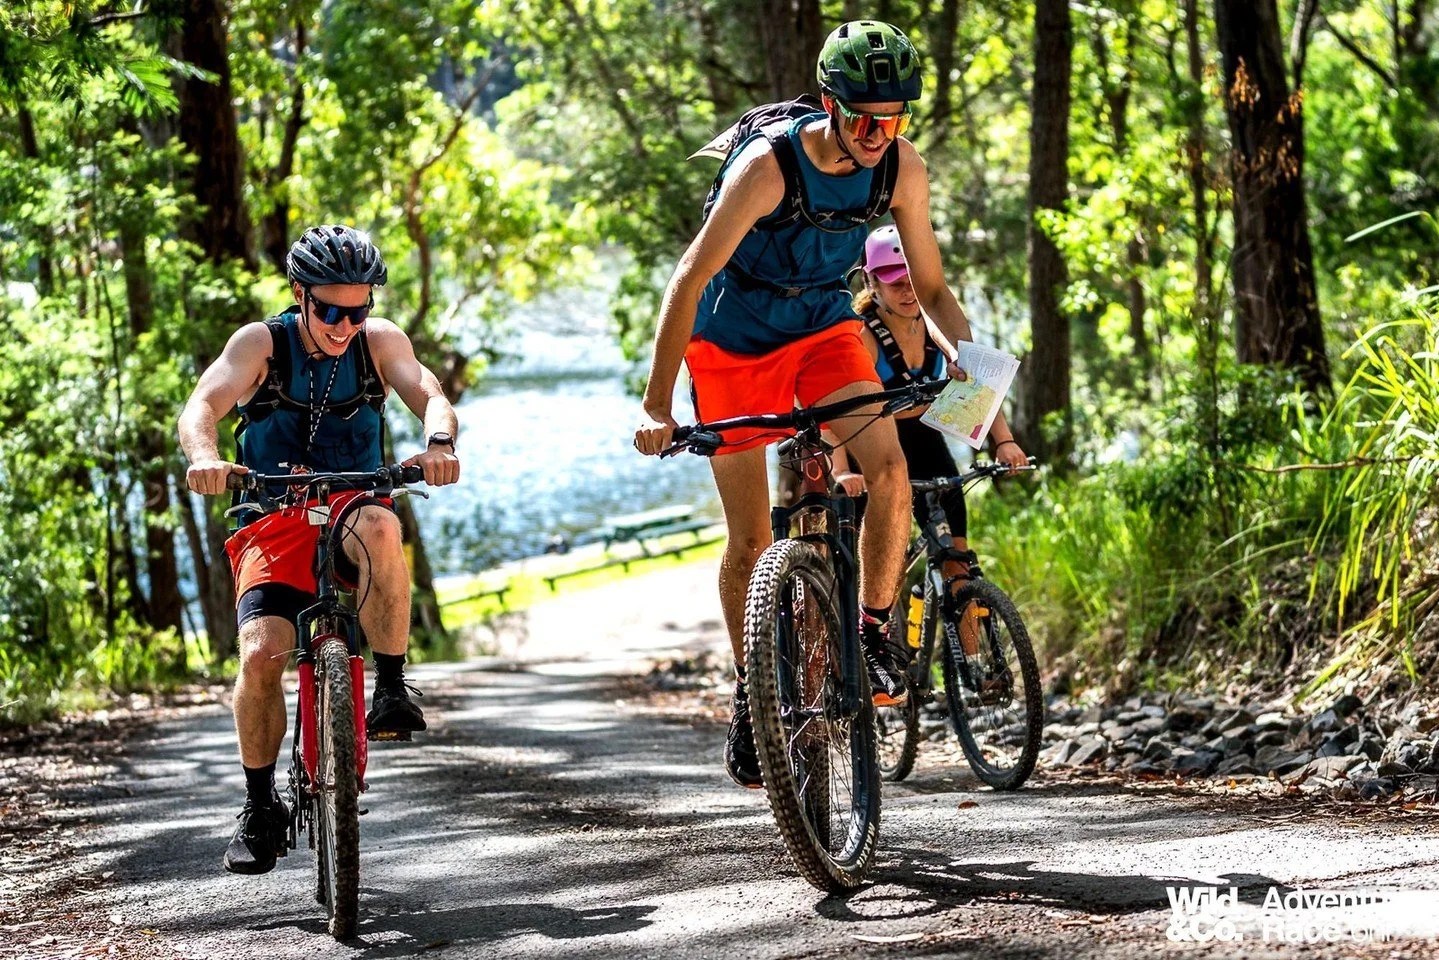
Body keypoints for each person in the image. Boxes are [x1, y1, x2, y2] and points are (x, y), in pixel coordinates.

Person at [634, 21, 980, 789]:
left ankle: (873, 627)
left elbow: (929, 288)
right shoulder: (766, 166)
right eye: (862, 118)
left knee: (889, 471)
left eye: (892, 119)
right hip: (732, 339)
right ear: (829, 104)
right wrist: (658, 403)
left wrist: (964, 354)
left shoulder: (900, 168)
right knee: (751, 539)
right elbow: (688, 280)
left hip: (823, 326)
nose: (876, 133)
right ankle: (751, 693)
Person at [178, 225, 461, 875]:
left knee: (385, 528)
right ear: (299, 296)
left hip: (352, 503)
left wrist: (439, 444)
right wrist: (205, 458)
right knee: (260, 655)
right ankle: (258, 805)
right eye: (330, 310)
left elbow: (429, 394)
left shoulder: (379, 341)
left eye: (356, 309)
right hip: (270, 514)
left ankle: (389, 685)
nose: (344, 323)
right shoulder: (260, 344)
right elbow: (202, 407)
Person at [834, 225, 1028, 622]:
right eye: (895, 283)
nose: (908, 293)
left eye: (913, 281)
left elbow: (978, 380)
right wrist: (839, 469)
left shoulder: (936, 323)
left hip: (924, 440)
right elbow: (837, 414)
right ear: (871, 282)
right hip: (869, 447)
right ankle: (876, 653)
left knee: (957, 558)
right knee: (877, 571)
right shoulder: (862, 335)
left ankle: (979, 672)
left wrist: (1004, 441)